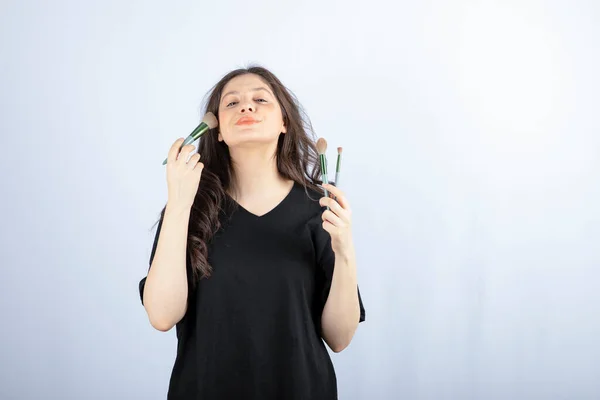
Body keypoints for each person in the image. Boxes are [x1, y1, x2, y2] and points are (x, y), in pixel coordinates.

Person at [138, 65, 366, 399]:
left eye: (260, 99)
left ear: (284, 123)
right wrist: (178, 205)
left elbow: (339, 338)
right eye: (231, 103)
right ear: (217, 131)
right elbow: (161, 315)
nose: (246, 107)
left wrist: (345, 249)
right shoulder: (189, 208)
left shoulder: (320, 208)